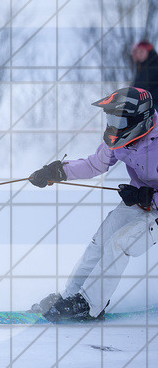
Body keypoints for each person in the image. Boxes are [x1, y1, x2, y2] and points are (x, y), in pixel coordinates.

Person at [28, 86, 158, 321]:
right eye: (110, 118)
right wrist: (58, 171)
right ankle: (70, 296)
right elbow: (95, 164)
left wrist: (149, 196)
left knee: (119, 243)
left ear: (140, 119)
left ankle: (89, 305)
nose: (112, 125)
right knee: (101, 241)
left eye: (118, 119)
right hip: (139, 202)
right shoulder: (118, 138)